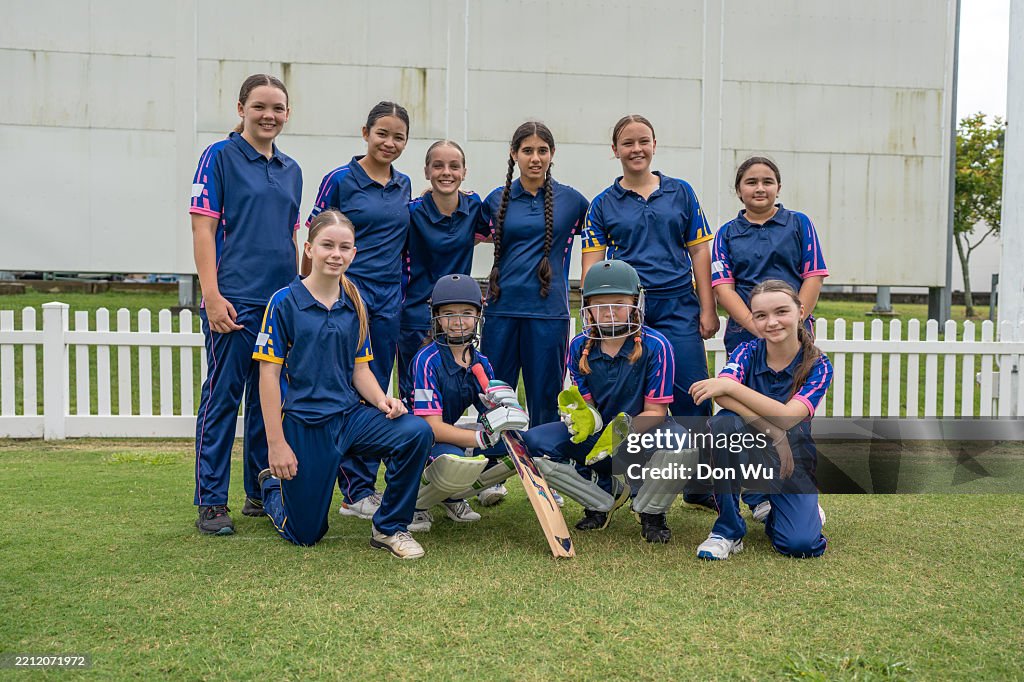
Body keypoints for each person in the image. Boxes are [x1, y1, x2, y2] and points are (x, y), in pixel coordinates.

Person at [254, 210, 432, 558]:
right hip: (306, 424)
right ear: (309, 249)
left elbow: (359, 370)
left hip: (350, 418)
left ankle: (389, 527)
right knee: (306, 534)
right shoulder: (284, 302)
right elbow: (268, 377)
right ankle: (273, 488)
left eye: (344, 247)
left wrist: (383, 401)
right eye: (327, 245)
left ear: (354, 254)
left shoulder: (354, 301)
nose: (335, 254)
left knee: (416, 433)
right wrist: (276, 444)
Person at [189, 74, 302, 535]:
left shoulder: (292, 168)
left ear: (287, 114)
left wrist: (297, 295)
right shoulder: (219, 157)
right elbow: (202, 229)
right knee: (222, 399)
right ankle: (212, 501)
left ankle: (260, 490)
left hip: (278, 302)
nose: (268, 115)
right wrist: (212, 296)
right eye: (259, 106)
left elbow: (292, 237)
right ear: (241, 109)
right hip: (233, 301)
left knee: (267, 400)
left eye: (277, 108)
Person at [522, 260, 689, 543]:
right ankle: (600, 499)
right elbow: (589, 410)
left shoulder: (656, 345)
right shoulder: (578, 345)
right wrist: (582, 420)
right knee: (534, 443)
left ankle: (651, 512)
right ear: (587, 307)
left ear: (636, 303)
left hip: (642, 434)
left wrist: (616, 436)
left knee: (682, 441)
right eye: (600, 304)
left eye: (619, 303)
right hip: (599, 437)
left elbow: (656, 412)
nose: (609, 312)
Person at [306, 102, 412, 521]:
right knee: (343, 390)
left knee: (377, 391)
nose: (389, 142)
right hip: (345, 294)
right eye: (382, 133)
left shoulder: (404, 185)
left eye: (398, 136)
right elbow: (313, 238)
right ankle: (352, 487)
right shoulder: (339, 180)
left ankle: (363, 487)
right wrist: (306, 295)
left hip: (388, 302)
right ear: (365, 132)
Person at [710, 156, 829, 522]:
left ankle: (795, 489)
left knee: (792, 416)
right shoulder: (727, 233)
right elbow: (723, 287)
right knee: (742, 418)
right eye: (750, 182)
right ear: (738, 189)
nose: (759, 188)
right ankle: (759, 495)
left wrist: (790, 321)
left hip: (793, 333)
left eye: (767, 181)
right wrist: (757, 324)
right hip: (745, 332)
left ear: (778, 186)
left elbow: (813, 276)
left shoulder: (799, 224)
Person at [581, 114, 718, 420]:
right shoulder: (602, 203)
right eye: (627, 143)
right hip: (626, 307)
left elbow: (699, 251)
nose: (636, 149)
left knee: (692, 393)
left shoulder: (681, 192)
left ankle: (698, 464)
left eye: (643, 141)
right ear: (615, 150)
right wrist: (593, 311)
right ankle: (627, 463)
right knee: (628, 398)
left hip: (678, 304)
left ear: (654, 145)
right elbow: (592, 266)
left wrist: (708, 308)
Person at [689, 279, 832, 560]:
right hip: (754, 446)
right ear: (752, 319)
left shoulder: (818, 365)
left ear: (801, 311)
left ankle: (778, 504)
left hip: (793, 459)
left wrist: (732, 386)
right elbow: (721, 398)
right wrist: (773, 433)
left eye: (781, 312)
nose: (772, 322)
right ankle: (728, 530)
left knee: (800, 545)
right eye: (761, 315)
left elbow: (789, 416)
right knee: (722, 425)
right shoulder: (747, 352)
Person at [480, 121, 590, 428]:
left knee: (546, 398)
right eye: (527, 151)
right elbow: (464, 229)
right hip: (502, 311)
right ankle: (492, 470)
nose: (535, 158)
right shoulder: (495, 199)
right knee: (495, 399)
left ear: (552, 154)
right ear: (514, 154)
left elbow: (604, 233)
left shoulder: (572, 201)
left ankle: (544, 465)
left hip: (548, 313)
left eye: (542, 150)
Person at [408, 275, 528, 532]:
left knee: (518, 444)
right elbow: (431, 429)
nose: (458, 322)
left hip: (446, 437)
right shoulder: (426, 361)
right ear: (436, 317)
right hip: (414, 442)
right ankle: (416, 504)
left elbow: (492, 414)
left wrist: (507, 413)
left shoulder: (481, 361)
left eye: (466, 313)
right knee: (454, 460)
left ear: (478, 316)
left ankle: (451, 497)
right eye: (448, 314)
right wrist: (479, 439)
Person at [397, 140, 486, 408]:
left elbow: (492, 234)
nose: (446, 172)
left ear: (464, 171)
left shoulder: (473, 207)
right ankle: (417, 446)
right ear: (426, 171)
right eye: (438, 166)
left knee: (457, 386)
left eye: (454, 166)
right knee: (416, 392)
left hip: (457, 316)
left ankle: (449, 442)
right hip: (416, 316)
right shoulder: (411, 212)